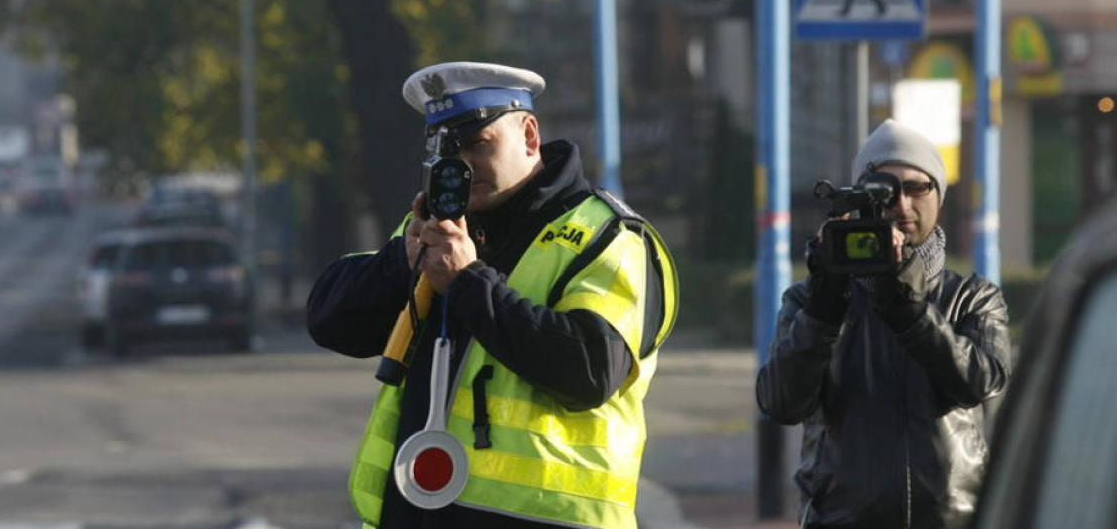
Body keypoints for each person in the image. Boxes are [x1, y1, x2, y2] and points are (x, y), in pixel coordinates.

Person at [307, 61, 678, 529]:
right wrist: (401, 261)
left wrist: (467, 281)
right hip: (417, 513)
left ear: (528, 135)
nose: (461, 165)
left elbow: (589, 371)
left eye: (477, 145)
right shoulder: (436, 224)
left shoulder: (607, 238)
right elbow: (331, 323)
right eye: (446, 151)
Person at [756, 119, 1012, 529]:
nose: (901, 205)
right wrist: (824, 309)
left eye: (917, 188)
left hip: (955, 519)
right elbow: (782, 403)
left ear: (939, 196)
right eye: (883, 191)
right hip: (843, 519)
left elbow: (979, 384)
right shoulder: (811, 300)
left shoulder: (973, 298)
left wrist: (908, 308)